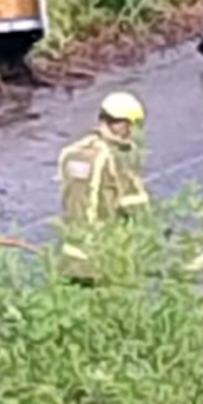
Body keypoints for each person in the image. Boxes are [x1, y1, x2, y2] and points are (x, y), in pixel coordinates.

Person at [55, 91, 148, 284]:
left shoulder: (72, 152)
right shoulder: (115, 157)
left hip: (71, 255)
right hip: (103, 255)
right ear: (123, 124)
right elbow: (135, 206)